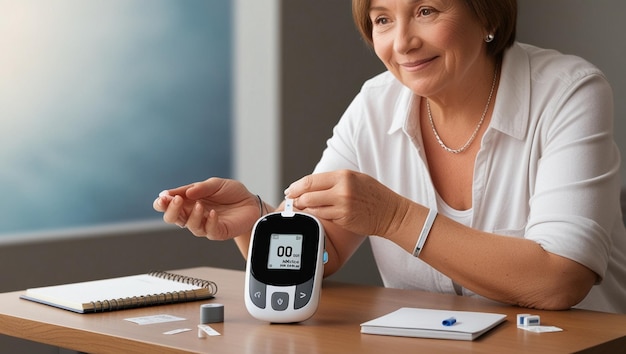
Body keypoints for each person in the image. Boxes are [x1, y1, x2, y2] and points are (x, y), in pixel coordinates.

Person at [154, 0, 626, 314]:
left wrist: (395, 216)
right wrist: (258, 220)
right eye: (382, 19)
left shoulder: (569, 93)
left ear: (487, 15)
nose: (402, 43)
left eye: (425, 10)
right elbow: (325, 251)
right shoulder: (374, 103)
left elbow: (559, 280)